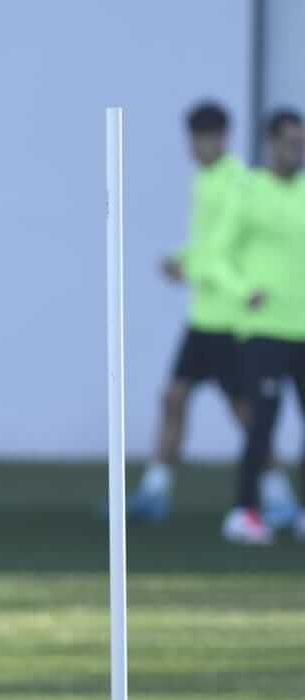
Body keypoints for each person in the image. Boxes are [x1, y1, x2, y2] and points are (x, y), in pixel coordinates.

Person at [127, 101, 297, 524]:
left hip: (231, 318)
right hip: (202, 316)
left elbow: (223, 254)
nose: (196, 147)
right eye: (192, 139)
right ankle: (155, 488)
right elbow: (208, 248)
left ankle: (276, 494)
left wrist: (189, 267)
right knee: (173, 397)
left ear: (222, 138)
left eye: (204, 139)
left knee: (247, 415)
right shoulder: (203, 180)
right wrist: (182, 259)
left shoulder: (237, 183)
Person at [216, 109, 305, 544]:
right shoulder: (249, 191)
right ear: (271, 142)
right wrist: (242, 288)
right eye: (289, 142)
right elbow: (218, 253)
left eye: (301, 142)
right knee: (262, 423)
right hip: (264, 329)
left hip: (303, 327)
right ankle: (244, 510)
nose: (297, 150)